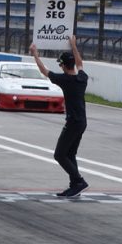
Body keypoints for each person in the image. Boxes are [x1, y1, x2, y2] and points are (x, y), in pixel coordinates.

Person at [29, 35, 89, 198]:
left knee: (59, 154)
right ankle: (75, 185)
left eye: (61, 64)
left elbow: (44, 71)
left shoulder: (64, 79)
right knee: (70, 154)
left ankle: (79, 180)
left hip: (73, 122)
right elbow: (80, 63)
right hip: (82, 122)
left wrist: (35, 53)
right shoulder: (82, 78)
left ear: (63, 66)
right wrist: (74, 46)